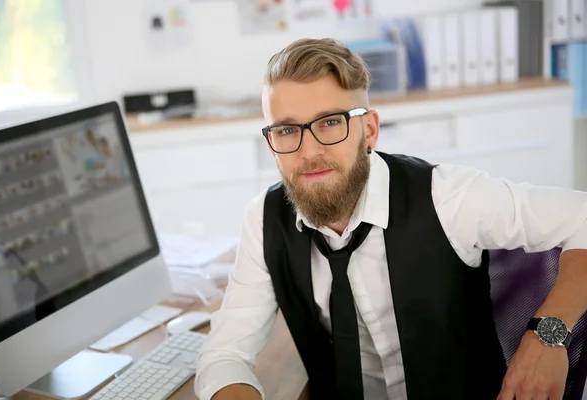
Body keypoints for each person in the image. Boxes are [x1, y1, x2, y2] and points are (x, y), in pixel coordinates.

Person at [194, 38, 587, 400]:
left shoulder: (446, 196)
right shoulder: (264, 219)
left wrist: (546, 338)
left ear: (369, 130)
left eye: (330, 122)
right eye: (286, 129)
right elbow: (224, 355)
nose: (308, 150)